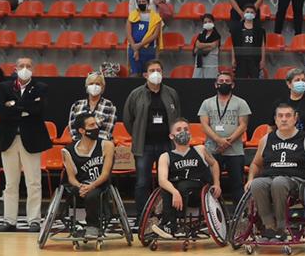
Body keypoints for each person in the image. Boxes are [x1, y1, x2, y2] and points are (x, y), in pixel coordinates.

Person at [245, 102, 305, 241]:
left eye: (288, 116)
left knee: (279, 182)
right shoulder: (266, 139)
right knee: (257, 184)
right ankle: (269, 227)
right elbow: (255, 163)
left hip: (296, 181)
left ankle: (281, 227)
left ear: (295, 118)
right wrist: (250, 179)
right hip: (270, 178)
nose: (284, 119)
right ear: (276, 119)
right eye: (280, 116)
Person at [0, 57, 49, 231]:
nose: (25, 68)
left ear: (33, 68)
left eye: (28, 66)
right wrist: (24, 108)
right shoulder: (4, 87)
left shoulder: (40, 88)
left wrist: (13, 105)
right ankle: (9, 220)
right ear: (15, 68)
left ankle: (34, 220)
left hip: (32, 139)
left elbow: (38, 110)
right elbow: (0, 111)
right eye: (21, 66)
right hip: (9, 139)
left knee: (33, 182)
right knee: (10, 183)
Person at [124, 59, 181, 210]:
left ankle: (167, 215)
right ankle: (142, 217)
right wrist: (137, 134)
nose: (156, 73)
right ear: (145, 75)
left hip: (167, 146)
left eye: (158, 70)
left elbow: (177, 117)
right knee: (142, 182)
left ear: (163, 73)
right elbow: (128, 119)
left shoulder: (171, 93)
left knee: (168, 180)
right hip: (144, 146)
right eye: (152, 70)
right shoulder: (135, 94)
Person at [150, 119, 221, 239]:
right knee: (167, 188)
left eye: (186, 129)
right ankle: (169, 224)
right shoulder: (165, 156)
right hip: (177, 193)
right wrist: (174, 192)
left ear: (190, 134)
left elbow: (214, 164)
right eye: (178, 130)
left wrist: (217, 183)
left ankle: (177, 225)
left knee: (183, 185)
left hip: (198, 192)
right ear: (171, 136)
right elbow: (162, 180)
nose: (183, 132)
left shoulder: (200, 150)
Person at [197, 70, 251, 205]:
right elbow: (204, 125)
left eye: (227, 81)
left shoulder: (241, 103)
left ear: (232, 85)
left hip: (235, 150)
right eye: (221, 81)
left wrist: (228, 142)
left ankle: (239, 215)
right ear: (216, 85)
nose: (224, 84)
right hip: (212, 150)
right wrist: (219, 140)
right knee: (211, 183)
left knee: (237, 184)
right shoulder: (207, 103)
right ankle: (212, 213)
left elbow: (243, 125)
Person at [61, 114, 112, 238]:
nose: (96, 127)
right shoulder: (68, 150)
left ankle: (93, 226)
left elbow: (105, 174)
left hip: (99, 185)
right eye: (91, 125)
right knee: (74, 192)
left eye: (96, 124)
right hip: (79, 185)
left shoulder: (107, 145)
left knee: (92, 194)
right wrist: (81, 186)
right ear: (82, 131)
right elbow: (71, 178)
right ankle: (76, 223)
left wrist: (91, 186)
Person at [66, 71, 117, 142]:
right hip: (79, 144)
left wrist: (93, 144)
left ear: (102, 87)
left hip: (101, 144)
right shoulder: (77, 105)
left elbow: (107, 130)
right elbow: (72, 128)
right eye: (91, 83)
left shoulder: (109, 106)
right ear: (86, 86)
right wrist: (81, 142)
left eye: (98, 84)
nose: (94, 86)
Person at [125, 0, 162, 74]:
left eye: (143, 2)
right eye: (139, 2)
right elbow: (128, 33)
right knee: (135, 74)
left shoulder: (156, 17)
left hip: (148, 49)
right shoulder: (131, 15)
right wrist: (135, 48)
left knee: (149, 73)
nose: (141, 3)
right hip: (133, 48)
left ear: (148, 3)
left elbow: (155, 35)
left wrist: (139, 45)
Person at [231, 6, 265, 79]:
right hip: (241, 58)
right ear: (243, 13)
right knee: (241, 80)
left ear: (255, 14)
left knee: (255, 80)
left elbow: (262, 45)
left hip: (254, 59)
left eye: (251, 12)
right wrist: (233, 59)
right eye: (247, 12)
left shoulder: (259, 29)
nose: (249, 14)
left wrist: (262, 60)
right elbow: (234, 45)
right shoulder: (237, 28)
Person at [192, 14, 227, 79]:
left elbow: (213, 46)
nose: (207, 23)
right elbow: (197, 45)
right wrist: (209, 44)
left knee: (210, 81)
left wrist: (201, 47)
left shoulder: (216, 35)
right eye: (205, 22)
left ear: (213, 22)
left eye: (209, 21)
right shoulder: (201, 33)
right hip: (199, 62)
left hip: (211, 63)